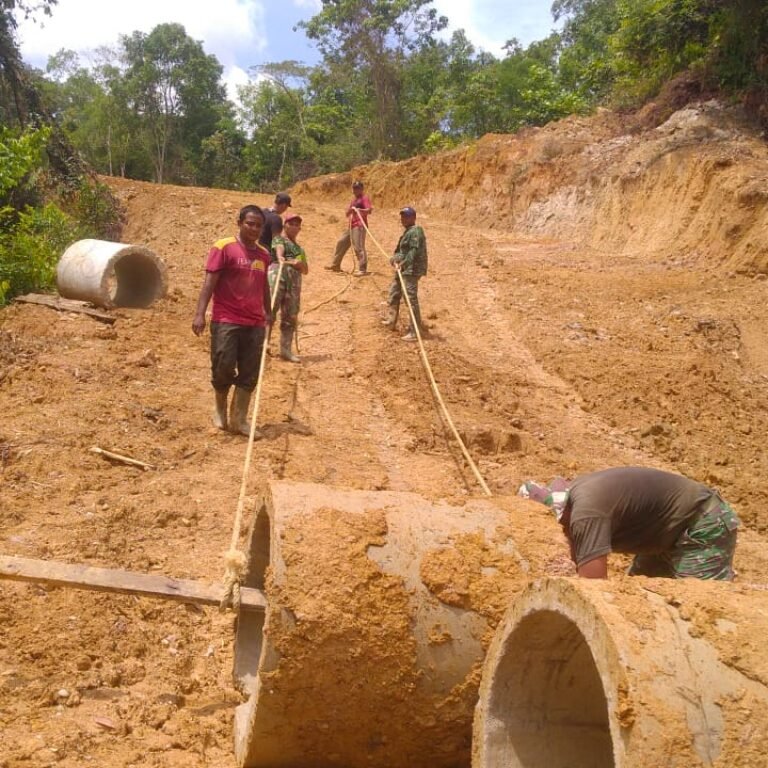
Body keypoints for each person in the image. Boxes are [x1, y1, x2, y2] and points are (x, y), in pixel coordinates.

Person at [519, 466, 740, 580]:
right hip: (663, 534)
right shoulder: (577, 501)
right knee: (641, 601)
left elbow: (594, 589)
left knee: (694, 611)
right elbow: (580, 559)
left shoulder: (586, 513)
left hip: (702, 523)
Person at [192, 205, 272, 436]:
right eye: (250, 223)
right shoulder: (223, 247)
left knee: (249, 371)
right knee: (223, 365)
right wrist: (200, 313)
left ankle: (240, 419)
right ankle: (220, 410)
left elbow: (264, 285)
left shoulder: (264, 254)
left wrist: (268, 312)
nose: (254, 229)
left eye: (258, 225)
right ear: (239, 222)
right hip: (227, 318)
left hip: (255, 322)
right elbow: (210, 282)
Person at [381, 206, 428, 342]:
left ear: (413, 218)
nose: (403, 219)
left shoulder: (416, 231)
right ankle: (391, 320)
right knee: (394, 292)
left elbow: (413, 252)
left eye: (406, 216)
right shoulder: (407, 232)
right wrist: (395, 258)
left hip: (411, 270)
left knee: (410, 299)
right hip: (403, 269)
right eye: (402, 216)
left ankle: (415, 331)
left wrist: (403, 263)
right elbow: (402, 251)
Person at [269, 212, 308, 363]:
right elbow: (279, 248)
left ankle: (285, 349)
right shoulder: (279, 239)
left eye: (297, 225)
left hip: (294, 284)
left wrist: (299, 264)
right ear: (285, 225)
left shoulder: (299, 249)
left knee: (290, 316)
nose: (295, 227)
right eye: (291, 223)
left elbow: (305, 270)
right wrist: (280, 257)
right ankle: (262, 345)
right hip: (278, 277)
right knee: (270, 310)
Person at [325, 180, 372, 275]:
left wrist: (360, 210)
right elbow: (347, 214)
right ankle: (335, 265)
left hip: (359, 226)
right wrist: (351, 210)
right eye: (354, 188)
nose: (355, 190)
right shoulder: (353, 201)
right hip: (351, 225)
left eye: (357, 188)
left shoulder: (364, 198)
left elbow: (369, 210)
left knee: (358, 246)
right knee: (341, 242)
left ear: (362, 189)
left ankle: (362, 269)